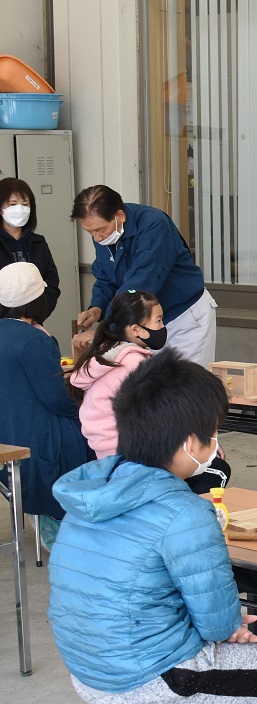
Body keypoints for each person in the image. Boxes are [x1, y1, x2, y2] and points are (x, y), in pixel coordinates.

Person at [49, 351, 257, 704]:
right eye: (213, 434)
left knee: (237, 679)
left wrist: (223, 629)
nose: (215, 445)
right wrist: (230, 627)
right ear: (187, 443)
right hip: (151, 682)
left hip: (91, 673)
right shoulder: (185, 511)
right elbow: (218, 627)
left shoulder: (91, 494)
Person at [68, 289, 233, 494]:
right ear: (136, 329)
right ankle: (180, 512)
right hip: (133, 455)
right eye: (159, 321)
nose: (163, 327)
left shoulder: (104, 355)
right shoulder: (134, 363)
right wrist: (203, 440)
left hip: (106, 454)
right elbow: (161, 414)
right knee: (217, 470)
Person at [70, 185, 217, 367]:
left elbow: (140, 284)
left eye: (99, 230)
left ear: (120, 216)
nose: (97, 238)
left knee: (188, 385)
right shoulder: (105, 232)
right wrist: (97, 308)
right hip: (144, 321)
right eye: (90, 232)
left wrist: (105, 330)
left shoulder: (154, 225)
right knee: (150, 387)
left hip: (183, 315)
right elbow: (106, 277)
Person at [0, 262, 90, 547]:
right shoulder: (34, 340)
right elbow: (56, 399)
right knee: (96, 432)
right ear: (39, 299)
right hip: (38, 438)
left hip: (6, 435)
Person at [0, 177, 61, 320]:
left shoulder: (38, 242)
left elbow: (51, 282)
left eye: (25, 204)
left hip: (33, 321)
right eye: (13, 204)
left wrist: (38, 314)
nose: (20, 209)